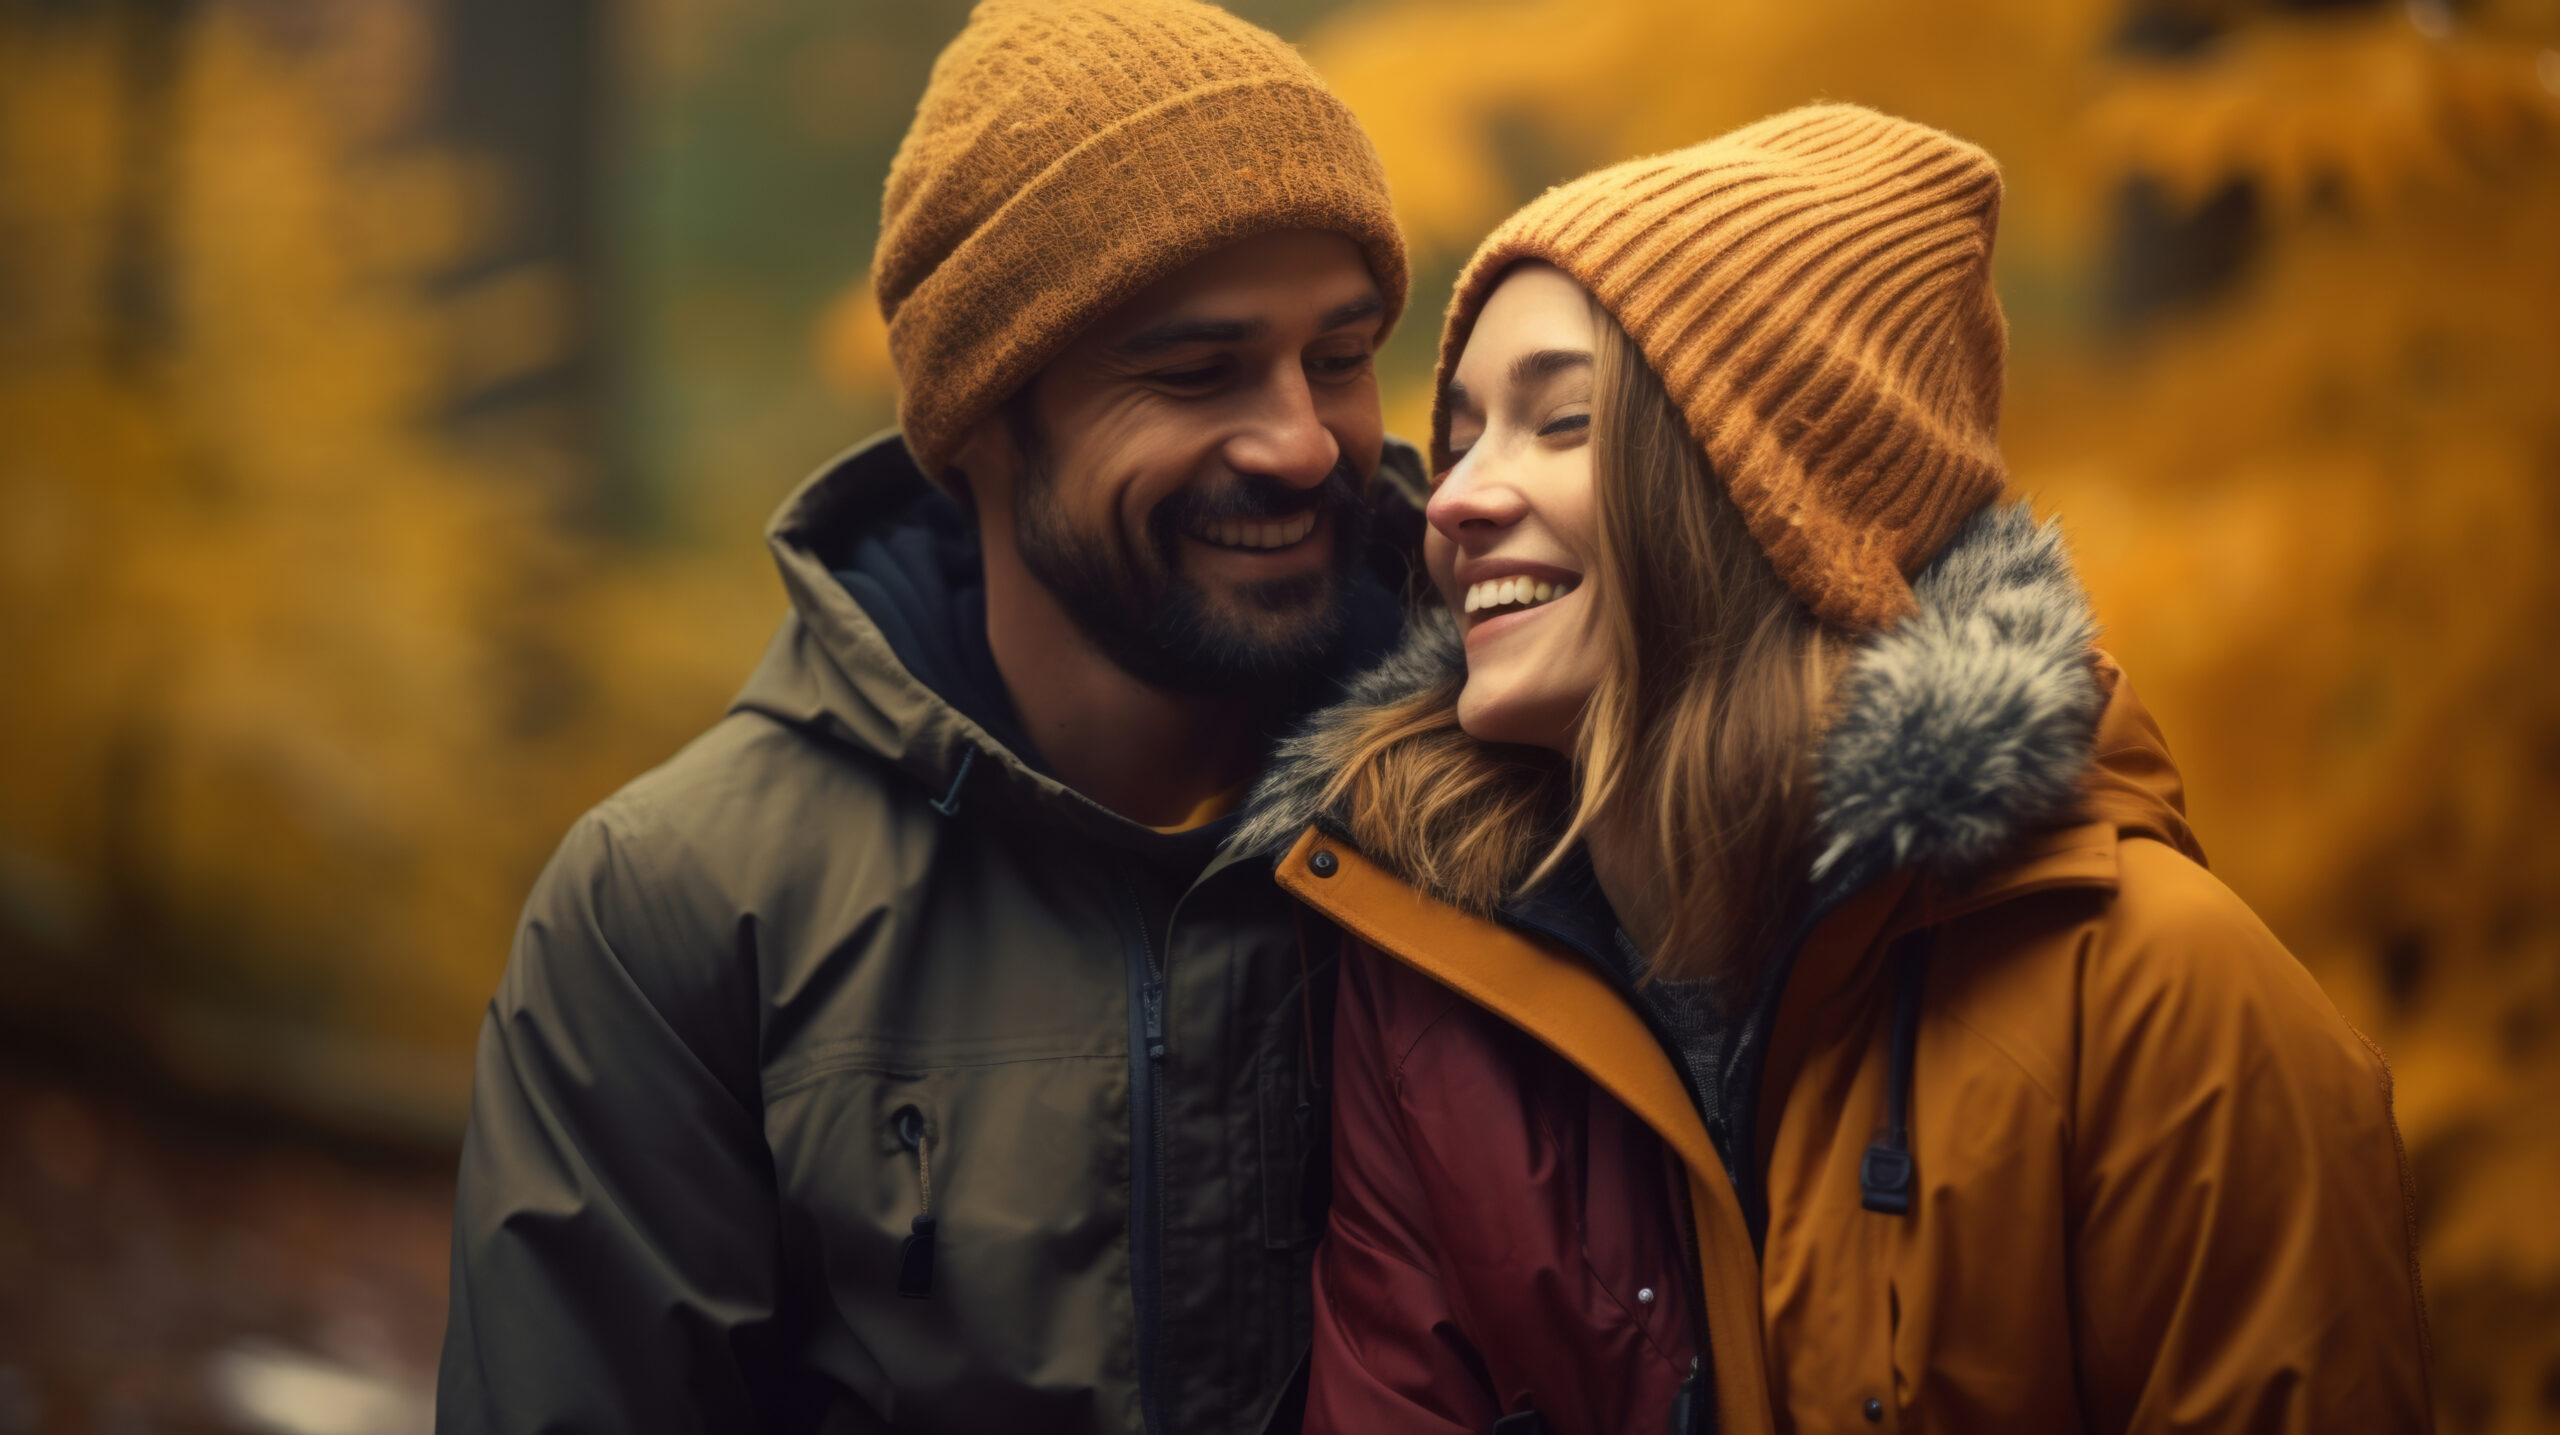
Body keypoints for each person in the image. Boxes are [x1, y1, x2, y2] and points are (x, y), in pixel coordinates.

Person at [1233, 105, 2435, 1434]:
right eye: (1462, 436)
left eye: (1562, 421)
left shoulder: (2164, 1006)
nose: (1454, 497)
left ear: (1778, 501)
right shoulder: (1431, 994)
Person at [436, 3, 1421, 1430]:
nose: (1303, 441)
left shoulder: (1507, 817)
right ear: (979, 421)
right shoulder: (686, 908)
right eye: (1195, 372)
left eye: (1340, 356)